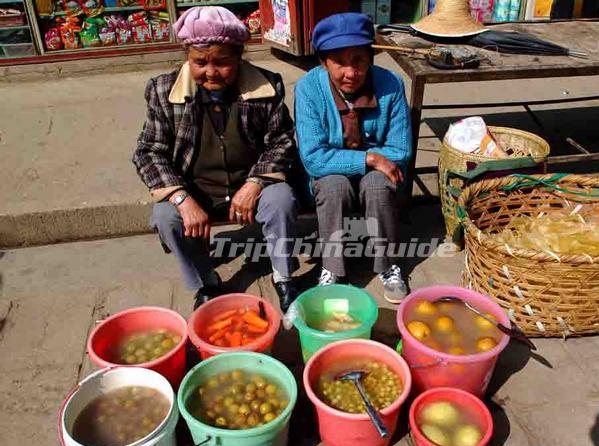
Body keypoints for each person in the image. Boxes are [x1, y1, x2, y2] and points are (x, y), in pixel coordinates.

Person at [132, 6, 300, 312]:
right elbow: (148, 151)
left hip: (251, 184)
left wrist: (254, 184)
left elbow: (283, 141)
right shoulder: (162, 90)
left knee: (282, 200)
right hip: (195, 189)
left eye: (222, 62)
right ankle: (205, 282)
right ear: (187, 58)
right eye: (200, 62)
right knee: (165, 217)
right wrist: (182, 198)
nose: (211, 72)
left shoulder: (266, 85)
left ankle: (284, 276)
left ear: (238, 57)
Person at [294, 13, 412, 304]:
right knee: (334, 186)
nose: (351, 72)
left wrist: (375, 163)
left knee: (378, 185)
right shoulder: (308, 89)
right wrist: (370, 158)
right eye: (339, 62)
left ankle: (387, 265)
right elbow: (312, 158)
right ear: (324, 62)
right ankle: (333, 268)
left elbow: (400, 149)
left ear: (370, 58)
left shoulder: (391, 85)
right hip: (333, 172)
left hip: (376, 172)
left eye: (358, 60)